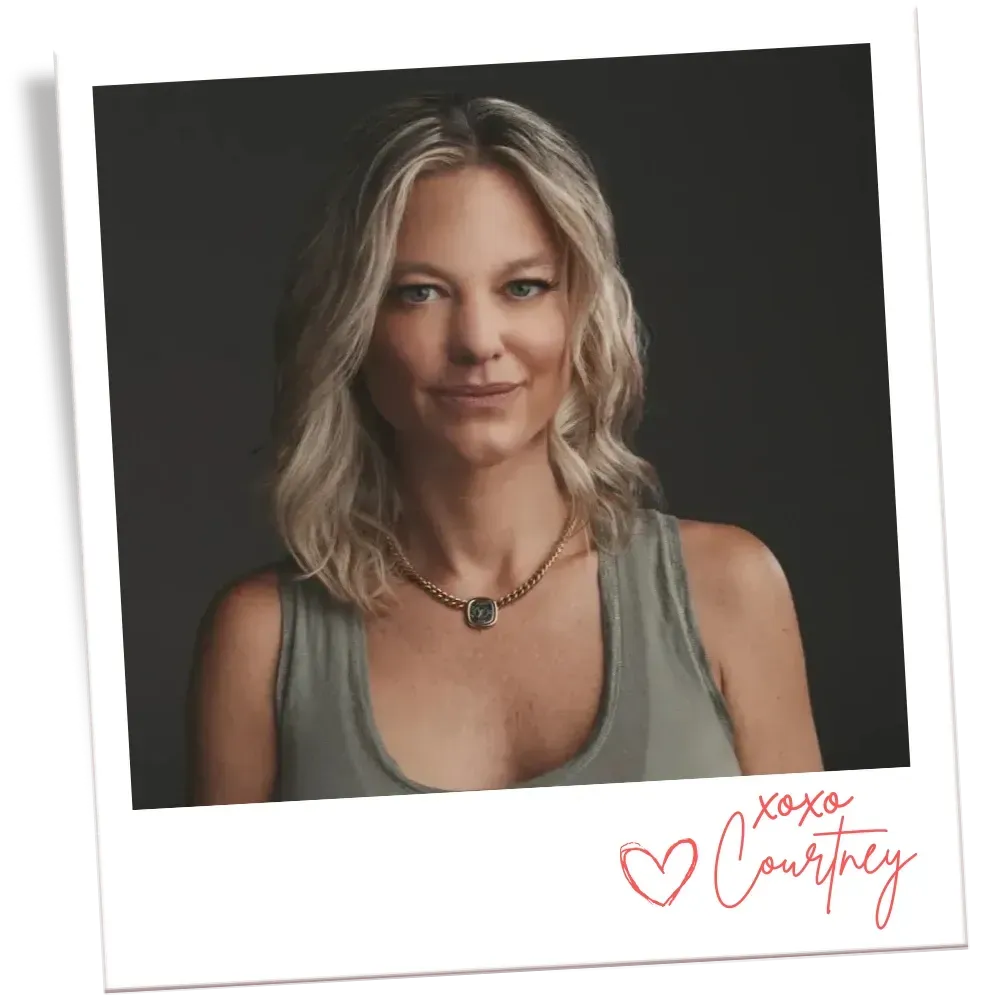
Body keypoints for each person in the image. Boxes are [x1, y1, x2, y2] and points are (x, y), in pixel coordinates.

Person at [190, 94, 823, 806]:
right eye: (420, 293)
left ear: (579, 315)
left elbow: (837, 915)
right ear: (354, 329)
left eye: (523, 287)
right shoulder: (261, 641)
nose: (479, 342)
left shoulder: (728, 590)